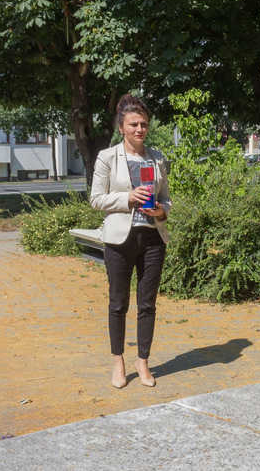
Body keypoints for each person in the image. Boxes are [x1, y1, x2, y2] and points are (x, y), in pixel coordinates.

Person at [90, 93, 172, 388]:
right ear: (121, 127)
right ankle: (118, 362)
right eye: (134, 124)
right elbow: (96, 199)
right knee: (118, 304)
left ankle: (143, 362)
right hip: (119, 242)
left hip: (152, 239)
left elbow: (167, 198)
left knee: (147, 304)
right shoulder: (107, 157)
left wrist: (161, 211)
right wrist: (128, 197)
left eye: (144, 124)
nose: (140, 129)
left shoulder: (157, 157)